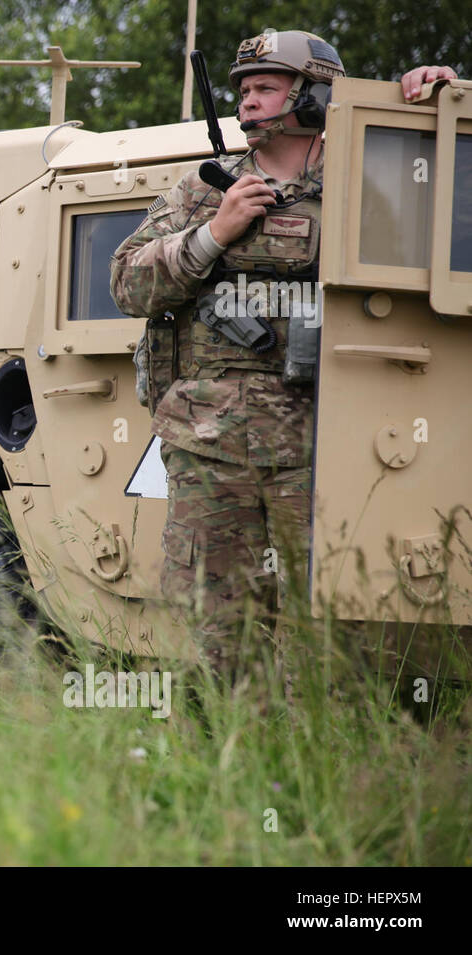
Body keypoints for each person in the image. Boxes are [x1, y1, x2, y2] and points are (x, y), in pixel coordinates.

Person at [110, 31, 457, 674]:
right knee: (216, 629)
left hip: (328, 444)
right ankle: (221, 760)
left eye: (265, 89)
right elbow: (126, 283)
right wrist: (214, 234)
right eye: (242, 92)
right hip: (210, 447)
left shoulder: (367, 181)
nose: (247, 105)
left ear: (314, 96)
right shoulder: (205, 191)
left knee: (327, 624)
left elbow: (446, 233)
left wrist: (431, 103)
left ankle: (310, 765)